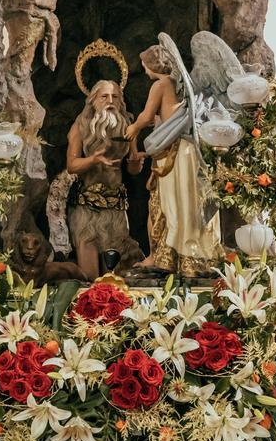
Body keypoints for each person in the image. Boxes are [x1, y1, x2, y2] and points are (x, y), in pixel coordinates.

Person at [126, 38, 222, 276]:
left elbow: (147, 117)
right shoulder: (178, 84)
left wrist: (133, 129)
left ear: (152, 65)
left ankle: (164, 255)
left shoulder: (160, 85)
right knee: (185, 203)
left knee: (167, 204)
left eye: (144, 65)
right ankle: (187, 255)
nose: (144, 70)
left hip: (175, 152)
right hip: (183, 149)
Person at [66, 79, 146, 279]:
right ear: (93, 101)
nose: (110, 101)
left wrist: (136, 162)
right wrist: (93, 159)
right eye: (104, 96)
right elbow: (72, 166)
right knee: (90, 276)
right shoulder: (81, 126)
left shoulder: (128, 126)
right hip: (87, 210)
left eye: (115, 97)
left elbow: (133, 168)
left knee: (116, 276)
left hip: (116, 210)